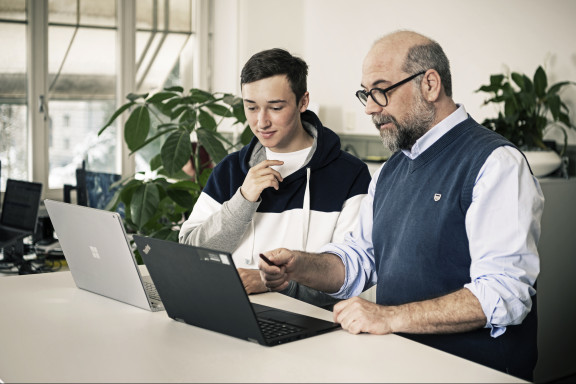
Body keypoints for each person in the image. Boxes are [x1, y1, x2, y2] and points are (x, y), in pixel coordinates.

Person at [259, 31, 544, 381]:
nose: (369, 108)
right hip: (399, 364)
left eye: (381, 90)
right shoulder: (390, 170)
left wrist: (389, 316)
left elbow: (505, 293)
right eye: (366, 93)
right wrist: (301, 265)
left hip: (475, 371)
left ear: (429, 84)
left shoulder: (495, 163)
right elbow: (359, 259)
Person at [179, 48, 372, 309]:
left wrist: (272, 282)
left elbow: (351, 275)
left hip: (311, 327)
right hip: (227, 314)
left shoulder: (350, 175)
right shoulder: (229, 171)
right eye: (251, 107)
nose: (261, 122)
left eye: (276, 107)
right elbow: (190, 253)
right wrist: (243, 199)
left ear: (303, 102)